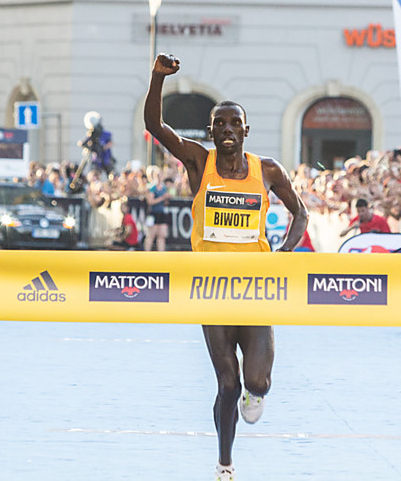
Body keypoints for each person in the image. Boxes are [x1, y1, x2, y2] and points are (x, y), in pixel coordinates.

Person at [144, 53, 308, 481]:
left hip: (255, 289)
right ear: (211, 131)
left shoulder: (267, 170)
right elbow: (155, 127)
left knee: (257, 383)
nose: (228, 131)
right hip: (211, 289)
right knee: (228, 382)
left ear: (246, 130)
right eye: (221, 124)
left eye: (236, 124)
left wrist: (285, 254)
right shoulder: (200, 162)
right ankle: (225, 462)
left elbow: (301, 215)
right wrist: (158, 79)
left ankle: (255, 397)